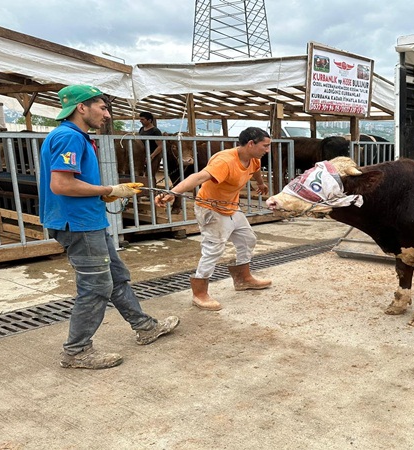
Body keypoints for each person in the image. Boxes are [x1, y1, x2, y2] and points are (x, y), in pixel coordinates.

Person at [39, 85, 179, 370]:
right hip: (79, 223)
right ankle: (77, 351)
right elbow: (61, 184)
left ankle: (145, 326)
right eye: (102, 108)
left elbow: (72, 182)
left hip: (88, 219)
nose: (107, 114)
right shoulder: (68, 136)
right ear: (81, 107)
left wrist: (105, 194)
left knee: (116, 276)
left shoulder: (77, 136)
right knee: (96, 286)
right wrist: (109, 188)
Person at [154, 127, 272, 311]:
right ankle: (199, 294)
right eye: (265, 146)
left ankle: (243, 279)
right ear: (251, 144)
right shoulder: (225, 160)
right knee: (213, 249)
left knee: (248, 239)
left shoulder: (253, 158)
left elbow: (254, 170)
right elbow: (198, 176)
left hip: (231, 206)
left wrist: (261, 183)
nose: (268, 150)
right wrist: (172, 192)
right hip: (210, 208)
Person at [138, 111, 164, 180]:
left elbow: (160, 146)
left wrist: (151, 156)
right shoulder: (141, 129)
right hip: (144, 155)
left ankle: (152, 189)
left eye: (142, 119)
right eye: (140, 119)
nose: (140, 121)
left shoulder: (155, 131)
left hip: (154, 155)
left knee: (150, 175)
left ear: (149, 120)